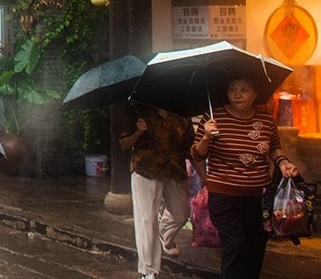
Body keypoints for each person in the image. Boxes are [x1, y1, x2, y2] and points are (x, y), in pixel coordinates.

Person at [191, 76, 300, 279]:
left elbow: (274, 148)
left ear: (255, 94)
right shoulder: (213, 117)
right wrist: (206, 137)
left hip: (259, 196)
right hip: (224, 197)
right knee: (236, 246)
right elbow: (197, 154)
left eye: (244, 89)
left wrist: (284, 163)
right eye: (232, 89)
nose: (237, 94)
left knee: (256, 246)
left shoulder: (266, 119)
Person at [120, 104, 192, 279]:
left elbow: (189, 147)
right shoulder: (137, 108)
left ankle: (164, 236)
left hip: (174, 170)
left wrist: (205, 176)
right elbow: (123, 144)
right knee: (146, 220)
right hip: (146, 169)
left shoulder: (181, 112)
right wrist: (138, 132)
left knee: (181, 213)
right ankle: (148, 271)